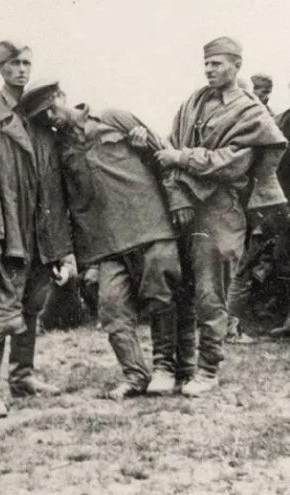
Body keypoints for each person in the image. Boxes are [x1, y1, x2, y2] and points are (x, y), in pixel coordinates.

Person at [20, 79, 184, 399]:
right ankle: (135, 375)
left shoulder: (115, 118)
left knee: (160, 298)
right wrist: (64, 253)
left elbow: (163, 158)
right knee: (111, 309)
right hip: (106, 243)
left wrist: (178, 202)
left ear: (62, 96)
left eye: (51, 108)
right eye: (42, 116)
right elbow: (60, 202)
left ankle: (165, 368)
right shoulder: (59, 150)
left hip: (149, 226)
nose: (51, 117)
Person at [155, 37, 287, 396]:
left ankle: (208, 370)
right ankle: (180, 367)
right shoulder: (193, 102)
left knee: (211, 294)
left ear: (236, 65)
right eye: (207, 64)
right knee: (179, 288)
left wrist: (183, 158)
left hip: (221, 211)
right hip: (186, 208)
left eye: (217, 63)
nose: (209, 70)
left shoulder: (250, 111)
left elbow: (233, 163)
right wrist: (177, 192)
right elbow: (169, 147)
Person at [0, 40, 75, 418]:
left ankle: (22, 377)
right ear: (0, 69)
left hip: (39, 235)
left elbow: (52, 187)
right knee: (1, 309)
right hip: (7, 233)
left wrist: (57, 246)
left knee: (31, 307)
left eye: (27, 63)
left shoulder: (40, 123)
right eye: (14, 63)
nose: (22, 70)